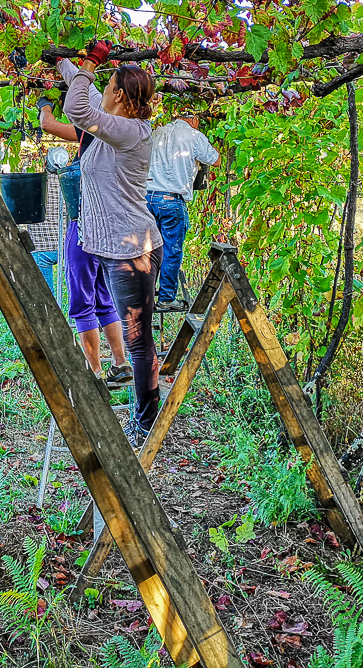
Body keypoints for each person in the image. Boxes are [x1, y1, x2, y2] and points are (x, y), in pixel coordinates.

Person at [60, 44, 162, 446]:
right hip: (112, 248)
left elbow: (77, 110)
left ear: (119, 94)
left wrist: (86, 66)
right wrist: (66, 63)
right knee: (138, 338)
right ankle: (146, 414)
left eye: (107, 83)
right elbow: (78, 90)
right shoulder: (110, 130)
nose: (100, 88)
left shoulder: (132, 132)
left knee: (139, 342)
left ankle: (146, 422)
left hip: (131, 251)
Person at [36, 97, 131, 386]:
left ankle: (95, 373)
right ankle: (121, 363)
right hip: (111, 230)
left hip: (84, 226)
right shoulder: (128, 134)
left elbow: (47, 125)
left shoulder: (92, 129)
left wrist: (44, 102)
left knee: (81, 301)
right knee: (104, 298)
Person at [145, 110, 219, 309]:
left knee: (148, 250)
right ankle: (167, 298)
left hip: (147, 198)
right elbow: (216, 160)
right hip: (171, 199)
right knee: (171, 250)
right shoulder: (194, 136)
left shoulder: (156, 133)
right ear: (194, 120)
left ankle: (146, 296)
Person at [23, 152, 65, 294]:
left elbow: (24, 212)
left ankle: (53, 315)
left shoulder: (35, 183)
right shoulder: (69, 182)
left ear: (45, 163)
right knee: (76, 292)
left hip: (40, 246)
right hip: (64, 245)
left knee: (47, 295)